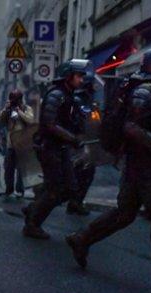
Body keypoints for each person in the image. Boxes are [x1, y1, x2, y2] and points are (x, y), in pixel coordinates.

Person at [65, 47, 151, 291]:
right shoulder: (145, 91)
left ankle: (82, 239)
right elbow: (131, 128)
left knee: (125, 213)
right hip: (146, 163)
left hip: (140, 162)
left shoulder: (149, 88)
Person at [21, 59, 89, 238]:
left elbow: (69, 122)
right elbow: (50, 124)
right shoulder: (56, 95)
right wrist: (72, 138)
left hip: (61, 147)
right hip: (49, 148)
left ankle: (33, 209)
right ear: (68, 76)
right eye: (79, 76)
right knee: (55, 189)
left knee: (70, 188)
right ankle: (33, 224)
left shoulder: (68, 95)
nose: (82, 80)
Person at [67, 74, 99, 216]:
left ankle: (76, 201)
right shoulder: (80, 100)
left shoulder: (86, 99)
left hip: (86, 140)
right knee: (82, 173)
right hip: (80, 140)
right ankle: (74, 201)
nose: (96, 86)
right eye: (93, 84)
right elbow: (82, 119)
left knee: (84, 173)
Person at [0, 89, 34, 198]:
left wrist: (19, 111)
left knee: (21, 169)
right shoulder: (8, 110)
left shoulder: (26, 108)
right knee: (8, 168)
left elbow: (30, 120)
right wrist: (5, 109)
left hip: (22, 144)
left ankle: (19, 190)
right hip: (10, 144)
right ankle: (9, 189)